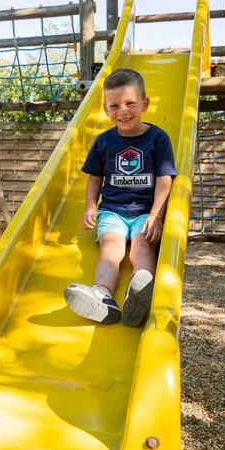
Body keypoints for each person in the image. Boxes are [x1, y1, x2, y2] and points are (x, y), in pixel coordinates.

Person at [64, 68, 176, 326]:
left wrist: (157, 214)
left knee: (142, 246)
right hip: (112, 210)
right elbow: (95, 177)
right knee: (111, 247)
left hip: (145, 211)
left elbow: (164, 179)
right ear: (105, 109)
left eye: (130, 103)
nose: (122, 111)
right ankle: (102, 296)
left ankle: (139, 293)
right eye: (114, 105)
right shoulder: (104, 141)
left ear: (144, 103)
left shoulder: (158, 139)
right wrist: (91, 207)